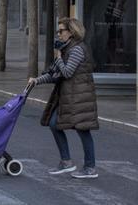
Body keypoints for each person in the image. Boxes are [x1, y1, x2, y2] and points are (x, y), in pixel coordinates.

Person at [28, 17, 99, 179]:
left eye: (61, 31)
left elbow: (67, 72)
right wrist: (36, 81)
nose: (58, 34)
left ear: (71, 32)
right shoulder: (67, 49)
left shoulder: (76, 50)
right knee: (54, 124)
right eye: (58, 31)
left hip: (80, 96)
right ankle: (66, 162)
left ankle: (90, 167)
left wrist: (58, 57)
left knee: (83, 130)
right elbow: (55, 75)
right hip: (69, 96)